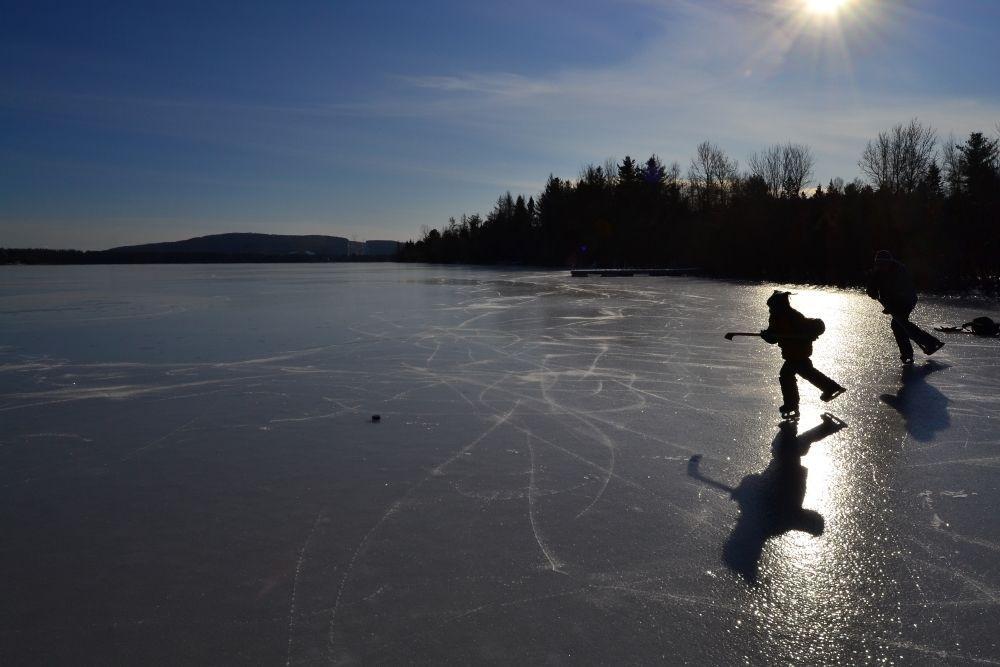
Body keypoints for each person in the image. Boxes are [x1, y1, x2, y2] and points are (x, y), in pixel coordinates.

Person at [760, 290, 845, 420]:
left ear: (780, 305)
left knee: (787, 375)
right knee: (807, 373)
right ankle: (830, 387)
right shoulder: (775, 317)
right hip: (790, 353)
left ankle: (792, 404)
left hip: (799, 352)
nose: (770, 309)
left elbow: (805, 332)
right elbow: (774, 336)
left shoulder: (794, 316)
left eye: (772, 307)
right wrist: (767, 336)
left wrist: (803, 336)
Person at [865, 250, 943, 364]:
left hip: (906, 300)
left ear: (890, 263)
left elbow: (901, 291)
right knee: (899, 325)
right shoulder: (877, 272)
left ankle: (927, 345)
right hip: (892, 302)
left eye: (884, 265)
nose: (882, 267)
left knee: (899, 324)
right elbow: (872, 287)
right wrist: (871, 290)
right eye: (880, 265)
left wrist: (891, 305)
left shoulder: (899, 271)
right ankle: (923, 346)